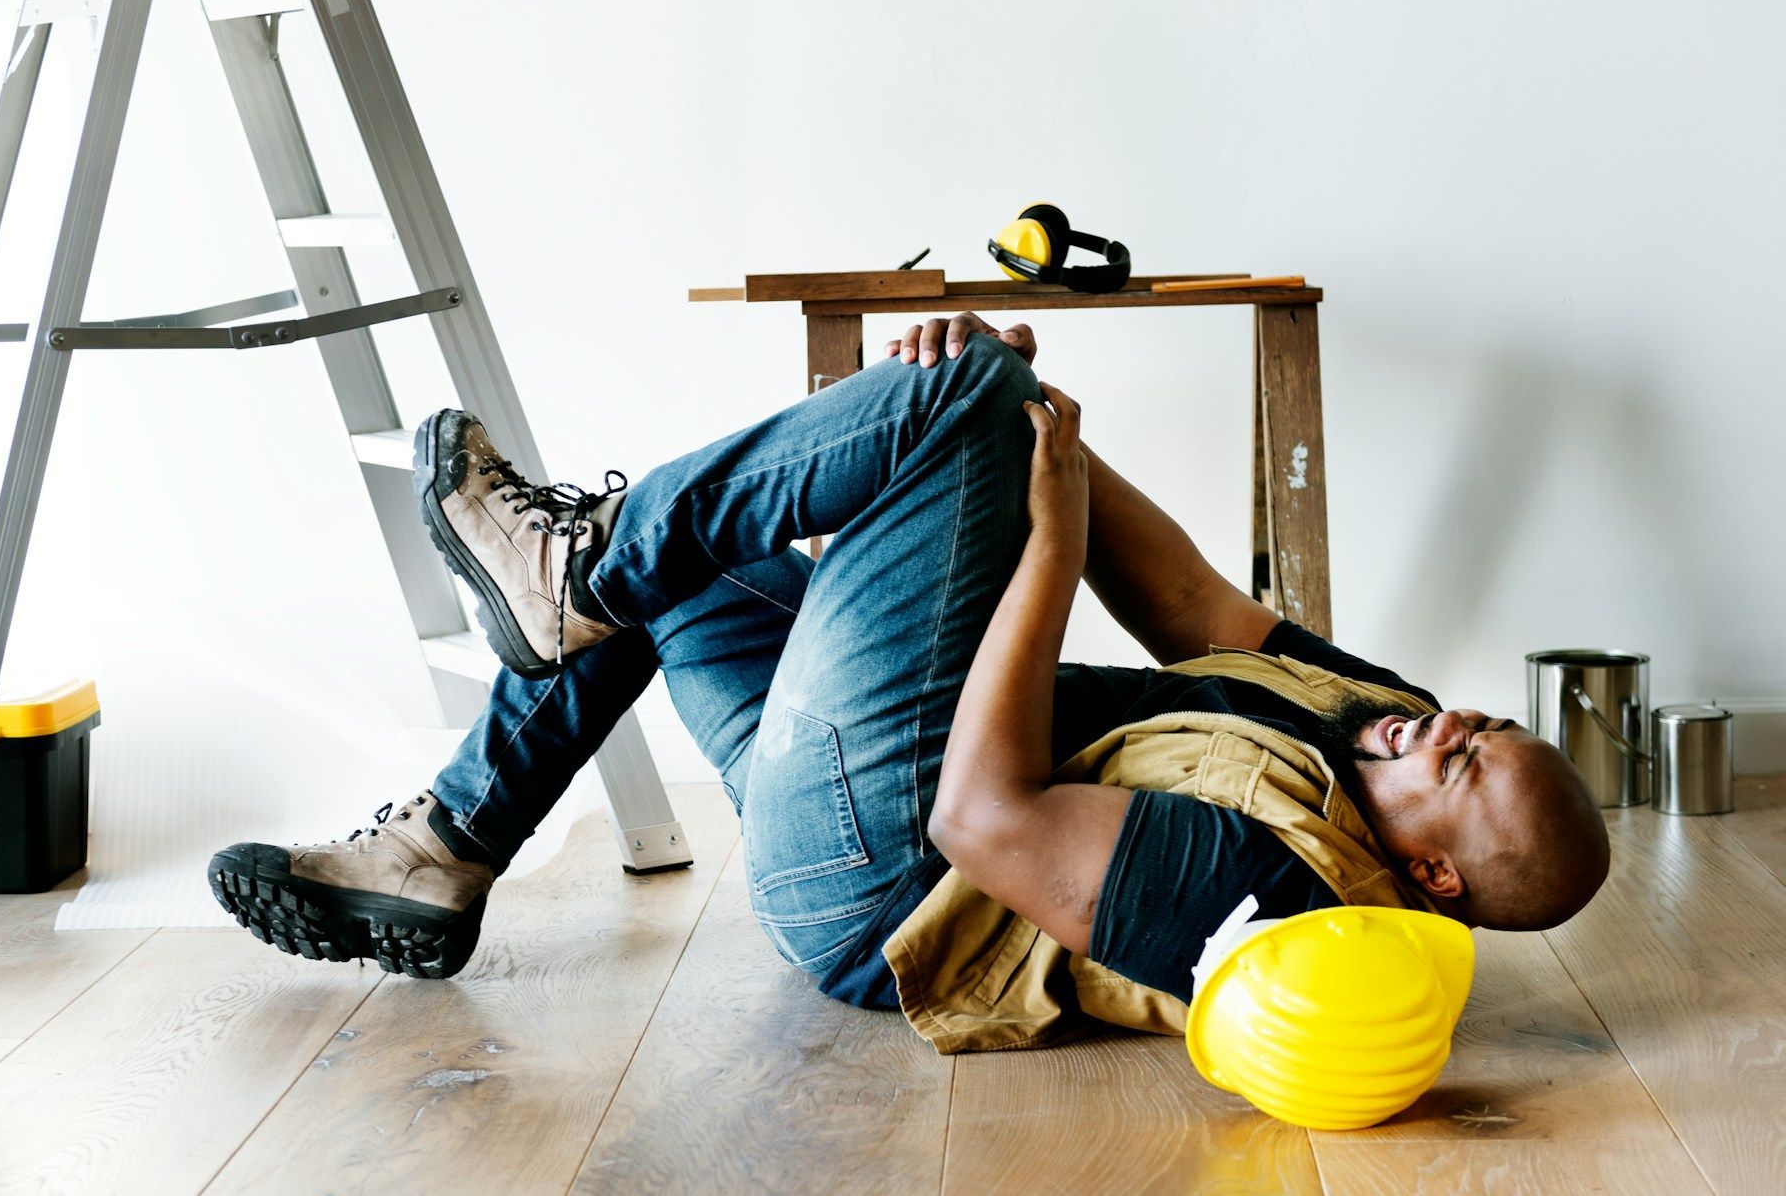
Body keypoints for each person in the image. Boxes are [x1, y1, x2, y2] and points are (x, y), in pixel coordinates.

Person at [208, 313, 1609, 1050]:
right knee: (710, 542)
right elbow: (1195, 606)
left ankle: (567, 576)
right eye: (1484, 719)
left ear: (1432, 876)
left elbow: (982, 823)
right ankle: (448, 845)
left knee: (938, 413)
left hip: (879, 881)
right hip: (859, 796)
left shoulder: (1282, 893)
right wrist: (1036, 419)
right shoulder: (1370, 718)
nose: (1454, 723)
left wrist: (1043, 538)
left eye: (1467, 762)